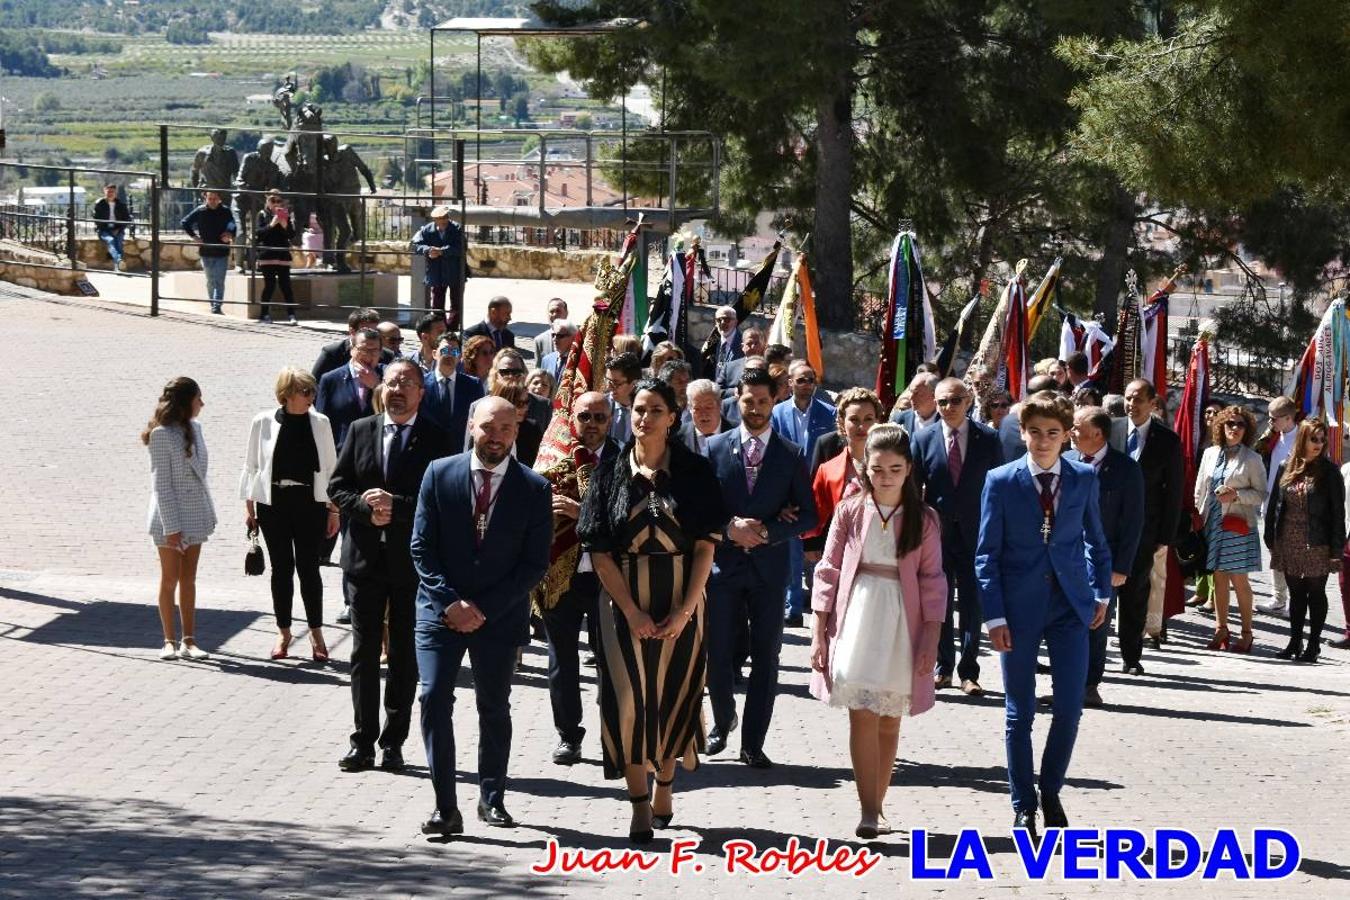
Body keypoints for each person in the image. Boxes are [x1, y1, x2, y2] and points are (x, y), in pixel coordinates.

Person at [578, 379, 729, 842]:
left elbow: (706, 547)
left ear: (672, 416)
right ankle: (639, 805)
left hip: (683, 596)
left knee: (673, 695)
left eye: (656, 409)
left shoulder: (696, 471)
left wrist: (685, 611)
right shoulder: (609, 473)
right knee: (627, 699)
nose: (645, 417)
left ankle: (666, 783)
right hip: (622, 600)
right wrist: (631, 611)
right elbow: (599, 550)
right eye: (639, 408)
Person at [411, 397, 553, 835]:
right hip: (440, 612)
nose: (497, 437)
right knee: (434, 697)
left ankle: (492, 798)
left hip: (499, 616)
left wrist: (484, 608)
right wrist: (449, 602)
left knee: (494, 706)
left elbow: (534, 564)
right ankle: (444, 806)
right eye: (489, 427)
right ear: (473, 425)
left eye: (507, 429)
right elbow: (421, 547)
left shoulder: (534, 488)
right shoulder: (439, 473)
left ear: (516, 432)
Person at [975, 391, 1112, 840]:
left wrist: (1101, 592)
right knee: (1019, 712)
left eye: (1052, 433)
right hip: (1018, 609)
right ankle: (1022, 804)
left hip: (1071, 607)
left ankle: (1050, 790)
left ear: (1067, 435)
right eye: (1034, 432)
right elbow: (985, 555)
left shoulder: (1083, 478)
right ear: (1023, 431)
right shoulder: (1001, 480)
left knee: (1071, 707)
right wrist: (994, 617)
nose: (1042, 441)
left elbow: (1096, 540)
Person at [810, 424, 946, 839]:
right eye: (877, 468)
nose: (885, 476)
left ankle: (880, 804)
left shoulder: (923, 518)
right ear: (865, 468)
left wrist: (932, 638)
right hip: (857, 617)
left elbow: (933, 580)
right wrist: (818, 630)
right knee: (861, 714)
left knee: (890, 718)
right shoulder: (850, 510)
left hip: (903, 620)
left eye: (895, 468)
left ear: (908, 470)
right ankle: (868, 809)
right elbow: (828, 570)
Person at [329, 361, 455, 774]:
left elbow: (443, 500)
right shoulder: (362, 429)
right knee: (364, 652)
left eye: (408, 384)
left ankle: (393, 742)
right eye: (393, 382)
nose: (398, 390)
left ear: (422, 392)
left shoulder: (437, 437)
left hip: (409, 563)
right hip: (363, 560)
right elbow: (337, 486)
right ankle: (362, 741)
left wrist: (397, 509)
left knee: (403, 654)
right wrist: (364, 508)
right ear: (381, 389)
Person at [704, 367, 819, 766]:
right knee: (716, 652)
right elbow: (699, 511)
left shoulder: (790, 454)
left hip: (769, 574)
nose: (755, 409)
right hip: (722, 570)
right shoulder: (715, 448)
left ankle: (753, 743)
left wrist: (769, 532)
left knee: (766, 659)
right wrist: (729, 528)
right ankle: (722, 721)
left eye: (763, 401)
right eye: (748, 400)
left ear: (775, 401)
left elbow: (808, 515)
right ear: (737, 398)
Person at [912, 377, 1005, 695]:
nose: (948, 408)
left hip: (976, 534)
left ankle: (969, 671)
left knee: (971, 603)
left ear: (968, 401)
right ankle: (943, 668)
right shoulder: (923, 439)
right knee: (937, 601)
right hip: (936, 535)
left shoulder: (989, 439)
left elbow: (999, 489)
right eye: (941, 402)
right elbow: (914, 490)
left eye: (955, 400)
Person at [240, 367, 340, 661]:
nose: (311, 397)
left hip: (310, 502)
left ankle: (316, 631)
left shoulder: (320, 422)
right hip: (273, 503)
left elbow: (332, 468)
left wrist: (334, 509)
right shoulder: (263, 421)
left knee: (309, 569)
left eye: (312, 391)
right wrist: (250, 507)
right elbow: (251, 465)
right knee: (281, 569)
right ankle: (283, 631)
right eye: (305, 391)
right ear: (286, 394)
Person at [540, 392, 616, 765]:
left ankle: (612, 733)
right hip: (561, 575)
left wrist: (578, 510)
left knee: (609, 660)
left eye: (599, 417)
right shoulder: (555, 459)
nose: (591, 425)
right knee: (562, 661)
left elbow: (624, 518)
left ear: (611, 420)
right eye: (584, 416)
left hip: (608, 578)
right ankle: (568, 735)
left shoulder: (624, 461)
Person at [1065, 407, 1143, 707]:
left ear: (1097, 433)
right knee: (1065, 623)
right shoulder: (1066, 462)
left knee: (1096, 624)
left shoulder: (1125, 469)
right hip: (1066, 559)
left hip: (1103, 561)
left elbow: (1133, 521)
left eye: (1076, 427)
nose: (1071, 431)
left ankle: (1088, 685)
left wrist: (1121, 566)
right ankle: (1066, 684)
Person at [143, 377, 217, 661]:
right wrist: (172, 528)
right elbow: (162, 485)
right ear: (186, 401)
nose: (202, 403)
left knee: (189, 579)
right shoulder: (161, 434)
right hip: (168, 516)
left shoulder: (197, 428)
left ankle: (190, 640)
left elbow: (200, 474)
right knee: (169, 579)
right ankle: (168, 640)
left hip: (195, 513)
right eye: (198, 398)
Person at [1264, 419, 1343, 663]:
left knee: (1315, 593)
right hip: (1289, 539)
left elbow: (1338, 513)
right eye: (1313, 439)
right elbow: (1276, 504)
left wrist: (1336, 549)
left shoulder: (1330, 472)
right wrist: (1270, 535)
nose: (1318, 444)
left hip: (1317, 542)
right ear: (1302, 440)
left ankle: (1313, 644)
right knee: (1296, 593)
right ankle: (1294, 641)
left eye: (1322, 439)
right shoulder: (1285, 465)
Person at [1118, 379, 1183, 670]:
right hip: (1107, 526)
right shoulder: (1111, 429)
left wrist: (1165, 536)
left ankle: (1131, 656)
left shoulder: (1167, 441)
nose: (1131, 405)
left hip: (1145, 530)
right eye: (1128, 398)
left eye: (1138, 399)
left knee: (1135, 593)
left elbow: (1174, 492)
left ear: (1152, 403)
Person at [1194, 405, 1267, 654]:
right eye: (1230, 424)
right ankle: (1221, 629)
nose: (1234, 428)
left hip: (1237, 526)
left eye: (1240, 424)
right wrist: (1197, 515)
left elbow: (1260, 494)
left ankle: (1247, 634)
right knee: (1218, 578)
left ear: (1247, 429)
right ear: (1221, 427)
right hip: (1212, 523)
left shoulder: (1253, 459)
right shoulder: (1210, 453)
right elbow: (1200, 488)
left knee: (1239, 580)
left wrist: (1235, 495)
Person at [771, 360, 836, 628]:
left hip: (819, 488)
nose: (807, 384)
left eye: (811, 379)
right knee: (793, 549)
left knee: (819, 549)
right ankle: (793, 606)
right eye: (801, 380)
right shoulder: (777, 413)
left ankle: (820, 603)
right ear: (790, 383)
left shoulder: (828, 412)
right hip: (790, 489)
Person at [805, 388, 884, 588]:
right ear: (842, 421)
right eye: (854, 419)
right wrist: (811, 544)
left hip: (881, 550)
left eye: (868, 419)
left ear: (877, 421)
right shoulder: (828, 460)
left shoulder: (890, 459)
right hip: (837, 547)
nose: (861, 426)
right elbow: (816, 502)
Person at [1257, 396, 1299, 615]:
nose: (1270, 421)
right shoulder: (1272, 437)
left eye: (1274, 418)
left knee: (1291, 555)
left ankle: (1295, 600)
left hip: (1291, 507)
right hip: (1270, 501)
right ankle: (1278, 598)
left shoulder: (1301, 439)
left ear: (1288, 418)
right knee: (1274, 551)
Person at [1189, 398, 1230, 610]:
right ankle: (1201, 590)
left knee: (1215, 553)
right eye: (1207, 412)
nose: (1210, 416)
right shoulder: (1201, 441)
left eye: (1215, 413)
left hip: (1221, 508)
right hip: (1204, 504)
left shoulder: (1229, 446)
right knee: (1201, 549)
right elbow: (1200, 478)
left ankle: (1214, 597)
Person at [315, 328, 383, 451]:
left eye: (374, 351)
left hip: (376, 452)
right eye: (364, 350)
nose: (369, 356)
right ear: (352, 349)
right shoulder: (330, 380)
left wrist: (377, 387)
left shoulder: (388, 377)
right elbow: (321, 424)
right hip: (341, 453)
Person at [419, 333, 483, 455]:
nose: (449, 355)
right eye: (444, 350)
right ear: (434, 354)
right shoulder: (421, 383)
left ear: (459, 357)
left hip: (459, 453)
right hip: (426, 452)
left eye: (454, 352)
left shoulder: (473, 386)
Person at [181, 191, 236, 314]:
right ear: (206, 198)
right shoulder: (200, 211)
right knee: (210, 280)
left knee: (219, 280)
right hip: (205, 251)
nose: (212, 201)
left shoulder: (225, 211)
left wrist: (228, 233)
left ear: (219, 199)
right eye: (210, 198)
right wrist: (194, 237)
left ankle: (217, 305)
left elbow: (232, 224)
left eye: (215, 198)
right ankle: (213, 303)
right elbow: (185, 222)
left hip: (222, 250)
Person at [411, 205, 466, 328]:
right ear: (435, 219)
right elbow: (415, 245)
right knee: (437, 302)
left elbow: (461, 248)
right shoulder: (426, 229)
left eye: (445, 217)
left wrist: (442, 251)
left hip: (454, 270)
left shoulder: (457, 228)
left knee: (456, 301)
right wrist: (428, 250)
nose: (444, 220)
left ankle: (452, 326)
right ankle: (439, 326)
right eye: (440, 218)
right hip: (436, 272)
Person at [253, 190, 297, 325]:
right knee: (269, 285)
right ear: (267, 201)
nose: (276, 204)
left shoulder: (286, 215)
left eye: (279, 201)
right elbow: (258, 234)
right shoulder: (262, 214)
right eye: (273, 200)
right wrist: (272, 224)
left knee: (286, 286)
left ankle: (291, 315)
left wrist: (284, 225)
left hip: (282, 255)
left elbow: (291, 235)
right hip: (268, 255)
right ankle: (264, 314)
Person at [312, 308, 393, 380]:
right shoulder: (332, 353)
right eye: (364, 331)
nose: (370, 336)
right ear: (352, 331)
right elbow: (314, 385)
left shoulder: (387, 355)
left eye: (374, 332)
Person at [680, 378, 730, 456]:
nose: (703, 414)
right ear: (689, 407)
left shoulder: (737, 433)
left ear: (719, 405)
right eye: (697, 408)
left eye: (708, 407)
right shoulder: (677, 438)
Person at [605, 352, 642, 445]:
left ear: (634, 384)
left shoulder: (646, 410)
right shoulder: (601, 405)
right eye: (607, 381)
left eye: (615, 383)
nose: (609, 388)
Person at [716, 328, 767, 394]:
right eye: (749, 343)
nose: (753, 347)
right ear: (742, 346)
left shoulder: (770, 367)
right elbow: (717, 391)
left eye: (757, 343)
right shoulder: (729, 368)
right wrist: (734, 391)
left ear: (763, 345)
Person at [93, 183, 131, 271]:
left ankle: (118, 266)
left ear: (115, 193)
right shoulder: (99, 204)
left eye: (112, 192)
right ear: (104, 192)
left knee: (119, 241)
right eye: (108, 191)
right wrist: (109, 230)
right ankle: (119, 262)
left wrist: (119, 229)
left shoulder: (121, 204)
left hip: (118, 229)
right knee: (111, 240)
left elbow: (127, 219)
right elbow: (97, 220)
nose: (110, 193)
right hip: (104, 230)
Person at [708, 306, 744, 384]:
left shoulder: (744, 344)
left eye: (727, 319)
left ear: (735, 322)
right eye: (719, 320)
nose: (722, 323)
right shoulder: (713, 343)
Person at [539, 319, 577, 388]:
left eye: (560, 336)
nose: (555, 339)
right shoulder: (546, 360)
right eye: (553, 335)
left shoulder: (578, 360)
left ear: (573, 337)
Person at [533, 297, 569, 362]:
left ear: (566, 313)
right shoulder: (539, 341)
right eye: (551, 311)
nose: (555, 314)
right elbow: (539, 369)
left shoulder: (577, 338)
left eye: (558, 311)